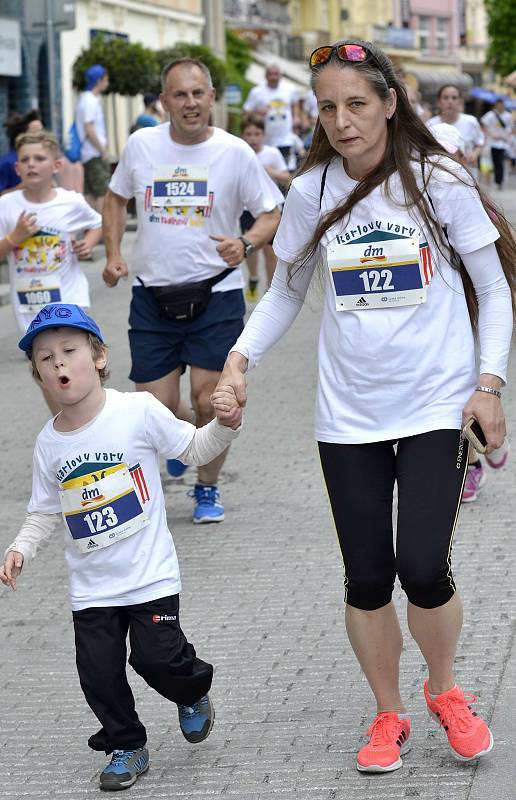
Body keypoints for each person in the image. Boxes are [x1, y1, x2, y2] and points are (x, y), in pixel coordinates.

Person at [217, 40, 514, 773]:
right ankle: (389, 713)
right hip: (346, 415)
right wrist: (240, 356)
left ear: (388, 103)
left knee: (423, 565)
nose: (342, 120)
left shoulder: (437, 178)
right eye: (327, 107)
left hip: (434, 406)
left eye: (356, 103)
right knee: (366, 574)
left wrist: (489, 385)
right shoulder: (313, 189)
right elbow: (285, 290)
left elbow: (497, 290)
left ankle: (443, 690)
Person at [0, 303, 242, 791]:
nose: (59, 364)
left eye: (69, 351)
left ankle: (192, 692)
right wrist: (20, 548)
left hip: (149, 574)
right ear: (39, 377)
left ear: (100, 357)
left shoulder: (138, 410)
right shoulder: (49, 443)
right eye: (46, 360)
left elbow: (193, 449)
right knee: (98, 674)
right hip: (92, 587)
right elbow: (46, 509)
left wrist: (226, 424)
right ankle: (126, 745)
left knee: (158, 660)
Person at [101, 58, 280, 524]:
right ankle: (185, 439)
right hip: (151, 295)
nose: (190, 103)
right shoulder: (142, 145)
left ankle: (206, 487)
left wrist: (245, 243)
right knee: (154, 406)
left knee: (209, 400)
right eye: (179, 95)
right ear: (165, 103)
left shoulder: (236, 151)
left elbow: (270, 212)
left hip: (216, 294)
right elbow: (115, 196)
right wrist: (112, 252)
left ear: (212, 97)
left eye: (198, 93)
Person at [0, 130, 102, 413]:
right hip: (29, 306)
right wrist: (15, 238)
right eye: (25, 159)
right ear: (17, 168)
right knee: (48, 380)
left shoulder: (69, 201)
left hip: (68, 299)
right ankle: (68, 428)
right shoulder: (6, 206)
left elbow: (97, 223)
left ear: (56, 165)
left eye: (40, 158)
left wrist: (88, 244)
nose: (32, 164)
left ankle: (89, 424)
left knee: (76, 371)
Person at [240, 113, 289, 301]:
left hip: (271, 209)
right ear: (243, 135)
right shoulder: (240, 153)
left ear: (263, 135)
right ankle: (253, 277)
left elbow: (286, 177)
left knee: (271, 251)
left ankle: (271, 290)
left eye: (257, 134)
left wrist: (270, 171)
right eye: (249, 134)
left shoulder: (272, 153)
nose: (253, 138)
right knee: (250, 247)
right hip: (246, 209)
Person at [243, 64, 301, 169]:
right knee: (267, 172)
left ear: (280, 76)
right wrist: (257, 112)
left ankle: (284, 186)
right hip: (266, 140)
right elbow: (246, 112)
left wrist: (296, 116)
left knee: (286, 170)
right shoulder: (257, 92)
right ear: (265, 76)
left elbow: (295, 103)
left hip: (285, 138)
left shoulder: (289, 89)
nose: (273, 77)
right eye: (270, 74)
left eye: (276, 74)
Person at [427, 85, 484, 177]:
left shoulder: (471, 122)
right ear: (438, 102)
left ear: (460, 101)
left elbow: (479, 142)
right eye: (446, 98)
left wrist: (474, 154)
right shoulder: (430, 125)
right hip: (439, 176)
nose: (450, 101)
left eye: (454, 98)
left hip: (467, 174)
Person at [75, 64, 110, 211]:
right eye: (106, 79)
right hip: (93, 154)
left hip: (87, 154)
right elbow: (89, 127)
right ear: (99, 80)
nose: (107, 82)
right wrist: (102, 151)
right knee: (102, 193)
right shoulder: (90, 101)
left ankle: (92, 229)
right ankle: (102, 229)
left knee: (90, 193)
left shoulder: (85, 99)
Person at [0, 110, 43, 195]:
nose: (43, 135)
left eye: (42, 130)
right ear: (21, 136)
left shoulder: (45, 160)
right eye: (35, 132)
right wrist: (21, 187)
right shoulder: (6, 163)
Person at [481, 98, 513, 189]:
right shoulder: (491, 115)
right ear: (496, 105)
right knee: (492, 162)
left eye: (501, 105)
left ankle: (499, 181)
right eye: (498, 105)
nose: (500, 106)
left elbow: (510, 128)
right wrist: (491, 134)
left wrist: (507, 136)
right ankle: (493, 181)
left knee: (500, 162)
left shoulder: (508, 116)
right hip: (492, 143)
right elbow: (484, 124)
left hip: (503, 143)